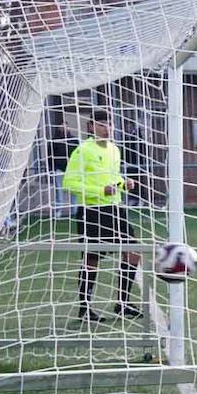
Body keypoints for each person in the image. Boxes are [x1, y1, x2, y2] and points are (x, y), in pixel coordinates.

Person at [61, 108, 142, 323]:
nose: (107, 128)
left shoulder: (115, 150)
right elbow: (69, 183)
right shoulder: (82, 150)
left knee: (133, 253)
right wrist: (99, 192)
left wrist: (124, 184)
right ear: (92, 126)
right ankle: (85, 309)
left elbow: (112, 178)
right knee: (91, 259)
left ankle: (122, 304)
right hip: (91, 212)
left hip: (115, 210)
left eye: (110, 124)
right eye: (102, 124)